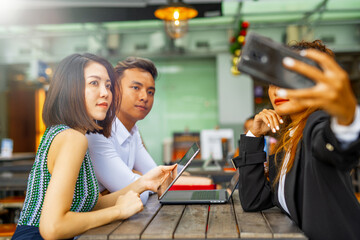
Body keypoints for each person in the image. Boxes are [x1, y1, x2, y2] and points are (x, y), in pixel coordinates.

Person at [12, 53, 177, 240]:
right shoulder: (73, 138)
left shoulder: (73, 134)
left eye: (108, 85)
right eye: (94, 83)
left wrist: (143, 183)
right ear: (70, 89)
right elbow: (52, 228)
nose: (105, 92)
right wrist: (119, 211)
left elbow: (94, 204)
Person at [234, 40, 360, 240]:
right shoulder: (288, 138)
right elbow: (253, 200)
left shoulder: (316, 125)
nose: (276, 90)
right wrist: (253, 135)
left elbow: (334, 144)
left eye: (288, 79)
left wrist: (347, 116)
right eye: (272, 80)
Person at [87, 57, 212, 204]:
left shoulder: (132, 131)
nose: (144, 97)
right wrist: (141, 180)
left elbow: (158, 180)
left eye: (150, 92)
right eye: (136, 88)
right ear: (114, 90)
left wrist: (137, 177)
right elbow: (141, 195)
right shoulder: (97, 133)